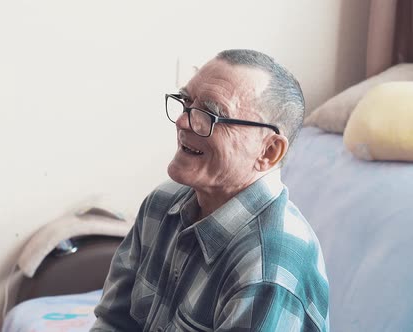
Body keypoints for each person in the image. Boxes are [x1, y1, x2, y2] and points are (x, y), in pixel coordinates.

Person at [91, 49, 329, 331]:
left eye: (211, 114)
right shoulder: (162, 204)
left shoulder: (268, 269)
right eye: (186, 102)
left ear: (269, 150)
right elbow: (112, 322)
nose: (182, 121)